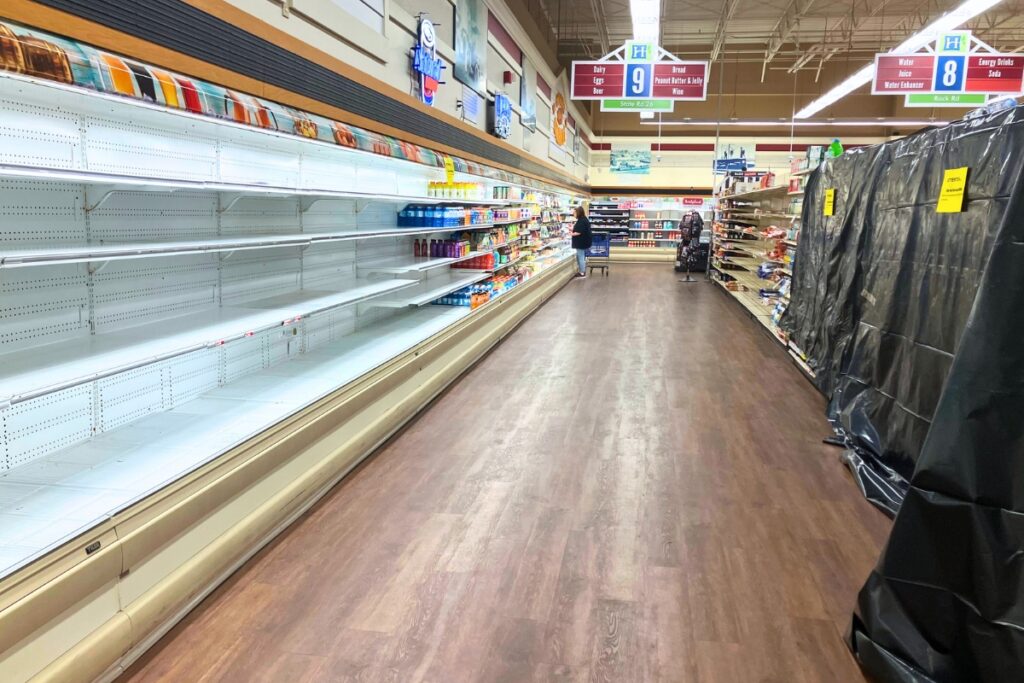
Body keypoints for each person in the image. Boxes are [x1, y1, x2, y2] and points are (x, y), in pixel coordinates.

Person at [571, 205, 592, 278]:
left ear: (578, 213)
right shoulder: (583, 219)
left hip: (581, 242)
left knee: (580, 256)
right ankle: (582, 270)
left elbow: (579, 232)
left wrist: (571, 234)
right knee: (581, 256)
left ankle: (582, 272)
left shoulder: (581, 220)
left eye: (574, 213)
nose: (573, 214)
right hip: (583, 241)